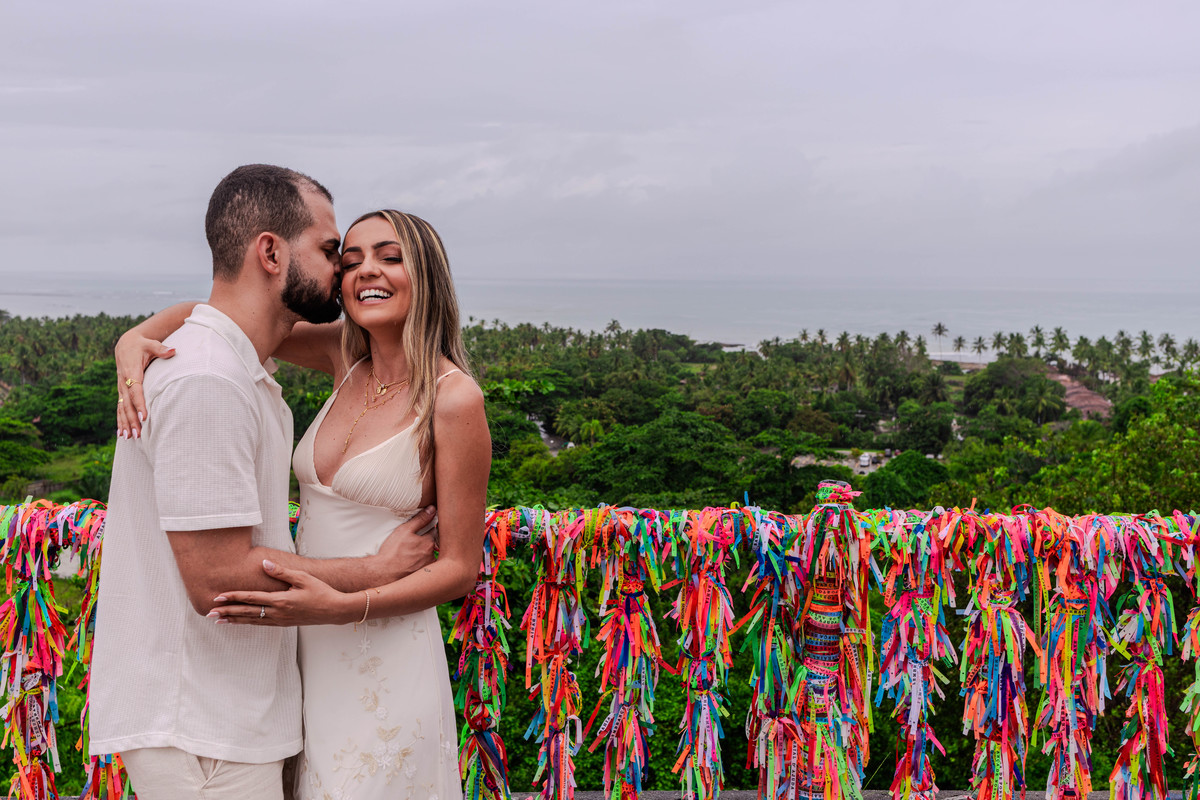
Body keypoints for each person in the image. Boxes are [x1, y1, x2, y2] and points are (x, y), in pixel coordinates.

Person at [91, 165, 442, 800]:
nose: (344, 271)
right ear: (272, 252)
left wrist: (140, 332)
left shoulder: (230, 366)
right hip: (204, 728)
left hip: (240, 713)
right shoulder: (208, 381)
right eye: (332, 251)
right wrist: (377, 570)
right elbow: (219, 579)